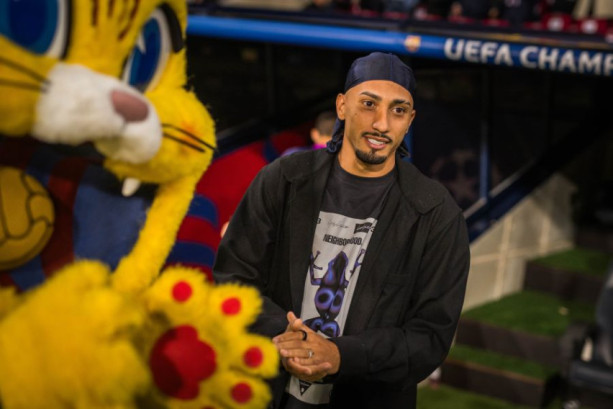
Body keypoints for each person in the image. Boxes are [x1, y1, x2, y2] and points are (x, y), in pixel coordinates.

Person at [213, 52, 470, 409]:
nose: (382, 124)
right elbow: (233, 277)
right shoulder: (283, 180)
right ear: (342, 106)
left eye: (398, 110)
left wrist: (340, 356)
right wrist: (284, 334)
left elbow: (429, 337)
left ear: (410, 120)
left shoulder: (436, 215)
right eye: (368, 104)